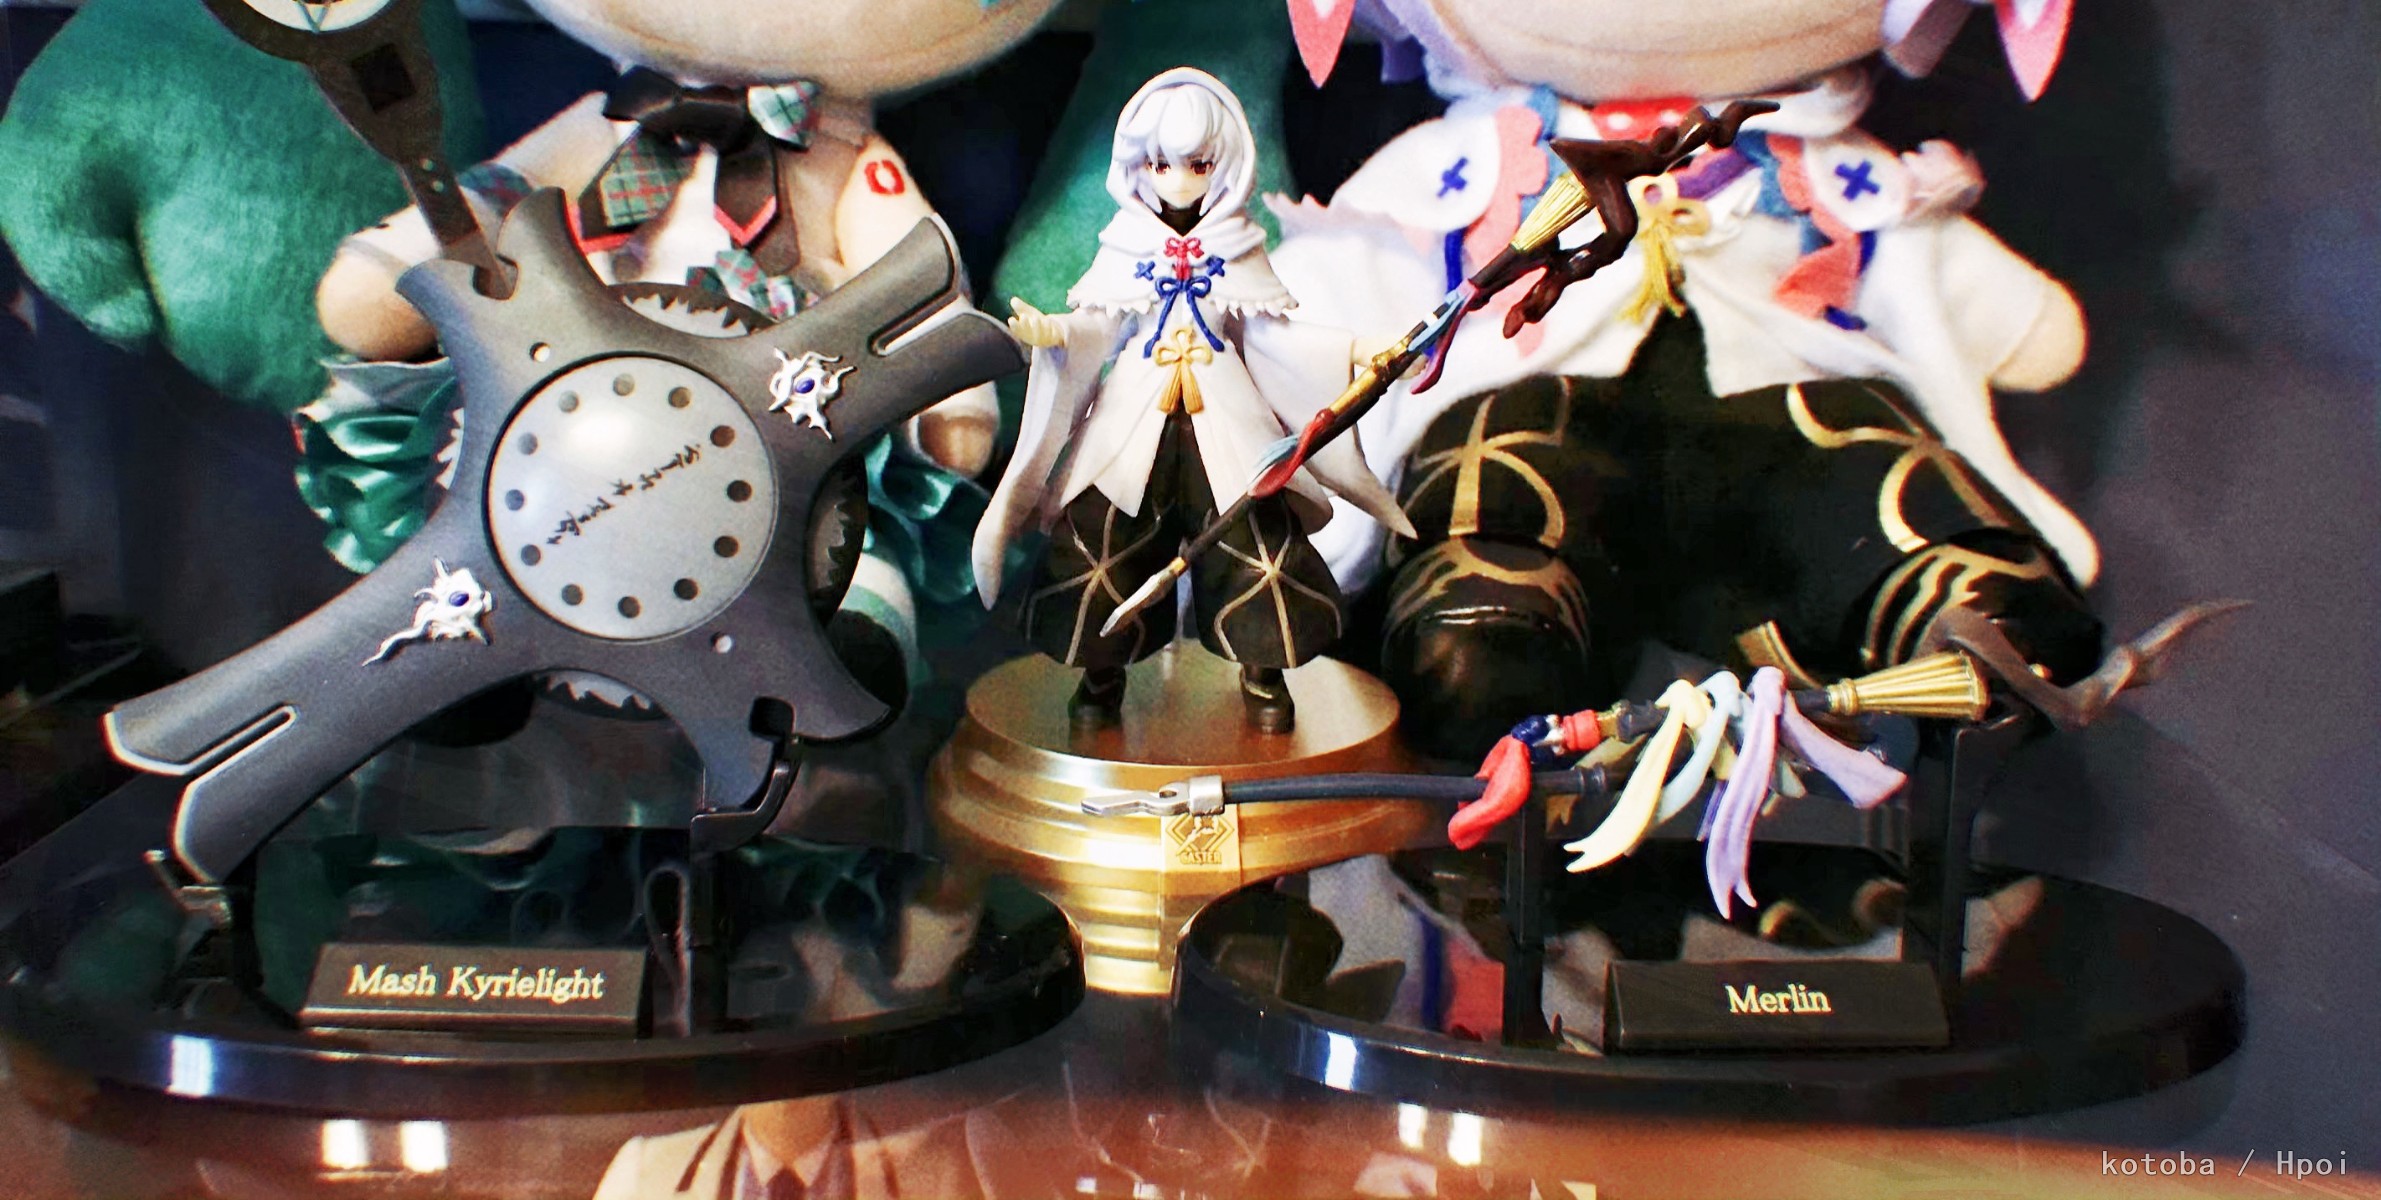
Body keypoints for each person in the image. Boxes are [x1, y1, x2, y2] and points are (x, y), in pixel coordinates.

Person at [973, 67, 1409, 733]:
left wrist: (1354, 348)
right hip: (1132, 420)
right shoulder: (1125, 244)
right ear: (1137, 165)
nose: (1177, 180)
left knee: (1255, 539)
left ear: (1224, 164)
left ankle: (1263, 674)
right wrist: (1055, 334)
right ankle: (1101, 676)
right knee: (1102, 539)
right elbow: (1098, 327)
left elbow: (1273, 335)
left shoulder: (1237, 244)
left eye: (1197, 164)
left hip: (1227, 421)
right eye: (1160, 164)